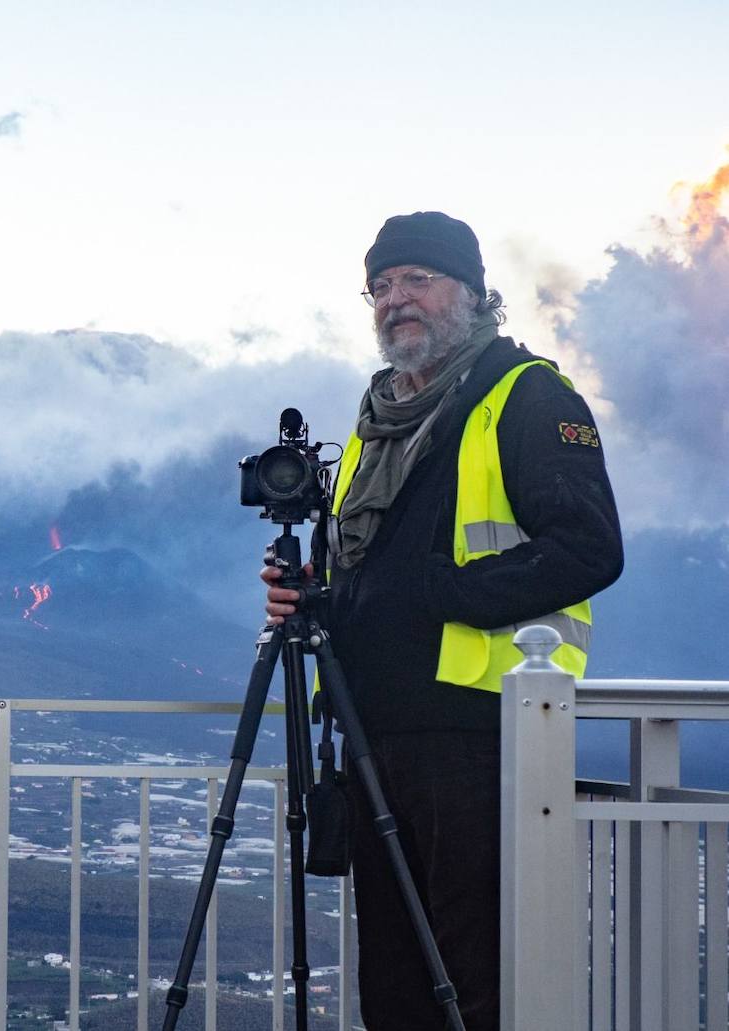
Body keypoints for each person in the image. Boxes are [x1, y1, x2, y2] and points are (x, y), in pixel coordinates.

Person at [263, 212, 622, 1030]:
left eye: (417, 278)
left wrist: (440, 591)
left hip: (480, 736)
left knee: (469, 983)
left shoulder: (526, 398)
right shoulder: (374, 421)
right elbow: (365, 567)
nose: (396, 301)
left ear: (470, 290)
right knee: (393, 987)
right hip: (372, 734)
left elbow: (589, 548)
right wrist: (308, 590)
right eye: (381, 286)